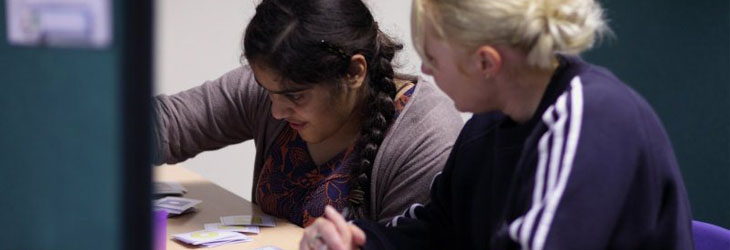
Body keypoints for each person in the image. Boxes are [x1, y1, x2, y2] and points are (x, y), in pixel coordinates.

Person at [300, 0, 694, 249]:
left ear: (486, 63)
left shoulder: (593, 120)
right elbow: (434, 230)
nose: (423, 70)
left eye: (433, 59)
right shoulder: (488, 127)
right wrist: (358, 241)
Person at [152, 0, 463, 227]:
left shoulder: (426, 137)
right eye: (268, 91)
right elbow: (165, 124)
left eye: (294, 96)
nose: (276, 110)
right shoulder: (276, 86)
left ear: (354, 72)